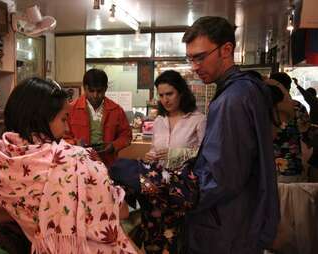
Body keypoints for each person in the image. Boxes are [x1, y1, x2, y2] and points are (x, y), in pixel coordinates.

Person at [0, 77, 137, 254]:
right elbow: (122, 210)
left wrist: (24, 209)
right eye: (64, 119)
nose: (67, 127)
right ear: (42, 118)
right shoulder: (77, 158)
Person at [182, 16, 279, 254]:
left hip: (227, 225)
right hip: (240, 219)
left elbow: (222, 177)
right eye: (190, 58)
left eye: (200, 57)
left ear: (226, 49)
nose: (195, 66)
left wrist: (177, 193)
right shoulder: (245, 89)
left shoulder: (232, 99)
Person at [111, 70, 205, 254]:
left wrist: (175, 154)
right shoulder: (160, 121)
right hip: (155, 191)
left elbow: (204, 155)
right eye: (161, 95)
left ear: (181, 92)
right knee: (152, 237)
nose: (165, 100)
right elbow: (155, 149)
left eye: (169, 94)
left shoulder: (198, 120)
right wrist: (150, 156)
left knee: (174, 240)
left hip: (180, 190)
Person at [68, 68, 132, 168]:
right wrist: (75, 143)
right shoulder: (71, 109)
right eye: (91, 91)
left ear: (106, 88)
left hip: (108, 165)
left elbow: (126, 135)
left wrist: (114, 146)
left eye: (99, 91)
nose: (95, 95)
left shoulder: (116, 110)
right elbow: (61, 137)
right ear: (85, 88)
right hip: (78, 164)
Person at [270, 72, 310, 181]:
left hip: (267, 171)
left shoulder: (263, 106)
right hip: (293, 169)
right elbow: (306, 135)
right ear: (288, 87)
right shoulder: (297, 107)